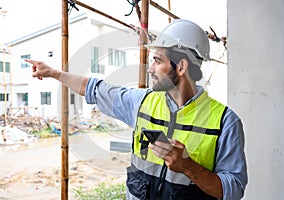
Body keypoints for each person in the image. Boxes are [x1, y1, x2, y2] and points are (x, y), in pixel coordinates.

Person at [26, 19, 247, 200]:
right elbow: (93, 88)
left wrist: (188, 167)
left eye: (157, 60)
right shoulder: (141, 102)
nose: (150, 68)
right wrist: (54, 73)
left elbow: (233, 190)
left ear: (181, 66)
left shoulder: (225, 122)